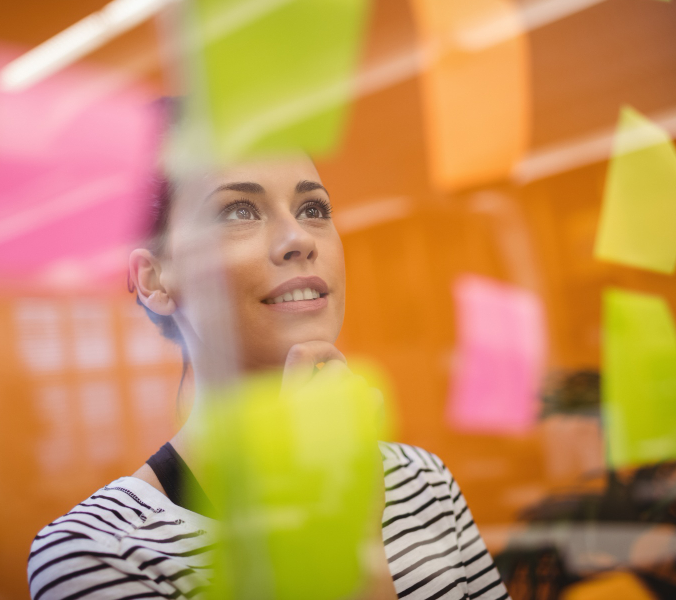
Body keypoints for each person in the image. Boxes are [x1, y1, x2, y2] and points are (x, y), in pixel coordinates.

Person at [27, 152, 510, 600]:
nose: (299, 238)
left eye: (313, 209)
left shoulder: (424, 481)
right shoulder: (99, 552)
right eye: (237, 211)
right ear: (155, 280)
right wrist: (344, 537)